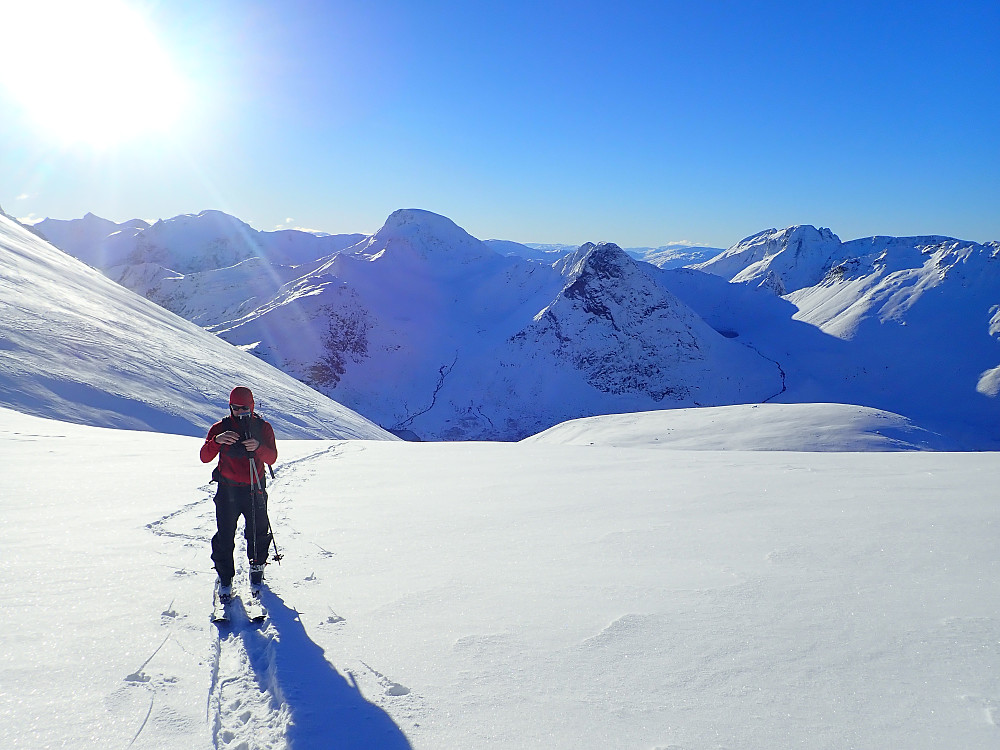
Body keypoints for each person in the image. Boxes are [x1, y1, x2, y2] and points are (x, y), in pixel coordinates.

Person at [200, 386, 278, 601]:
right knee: (225, 534)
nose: (240, 412)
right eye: (235, 407)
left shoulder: (263, 428)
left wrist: (259, 447)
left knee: (258, 532)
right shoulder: (220, 428)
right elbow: (204, 457)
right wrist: (216, 442)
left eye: (244, 408)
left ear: (252, 406)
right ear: (230, 406)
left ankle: (257, 567)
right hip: (228, 489)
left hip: (255, 488)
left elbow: (272, 458)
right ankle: (225, 576)